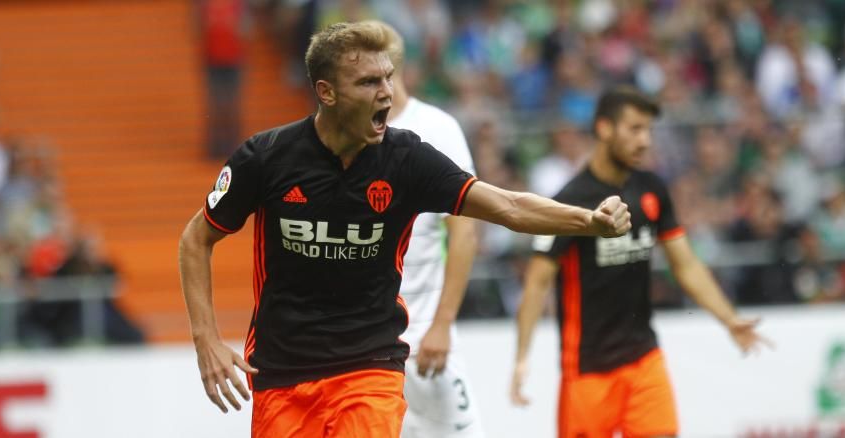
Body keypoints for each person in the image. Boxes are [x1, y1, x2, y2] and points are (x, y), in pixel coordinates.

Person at [179, 21, 631, 438]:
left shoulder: (407, 159)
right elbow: (196, 240)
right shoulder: (267, 157)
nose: (387, 93)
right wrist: (207, 341)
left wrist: (588, 221)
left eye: (389, 78)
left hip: (369, 365)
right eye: (369, 82)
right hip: (281, 372)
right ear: (327, 92)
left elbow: (508, 205)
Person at [509, 86, 772, 438]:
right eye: (635, 129)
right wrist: (522, 357)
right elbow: (537, 281)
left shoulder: (652, 189)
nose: (645, 140)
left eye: (648, 130)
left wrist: (729, 318)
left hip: (644, 360)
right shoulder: (570, 201)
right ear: (604, 128)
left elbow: (686, 264)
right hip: (587, 370)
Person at [371, 21, 484, 438]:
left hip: (424, 339)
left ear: (394, 68)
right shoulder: (348, 135)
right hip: (365, 349)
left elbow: (464, 232)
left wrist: (442, 323)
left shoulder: (437, 128)